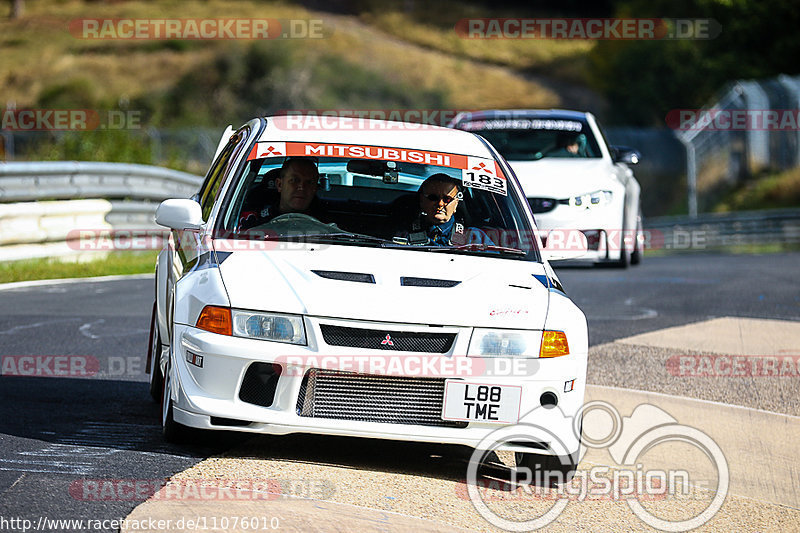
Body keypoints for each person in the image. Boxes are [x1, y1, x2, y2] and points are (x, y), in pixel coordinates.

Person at [397, 173, 492, 246]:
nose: (440, 204)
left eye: (447, 199)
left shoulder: (475, 238)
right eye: (433, 197)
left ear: (456, 204)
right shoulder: (404, 233)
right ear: (422, 201)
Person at [240, 157, 322, 229]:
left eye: (309, 182)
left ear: (315, 188)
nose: (301, 187)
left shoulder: (328, 224)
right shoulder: (253, 220)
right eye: (294, 180)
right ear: (279, 185)